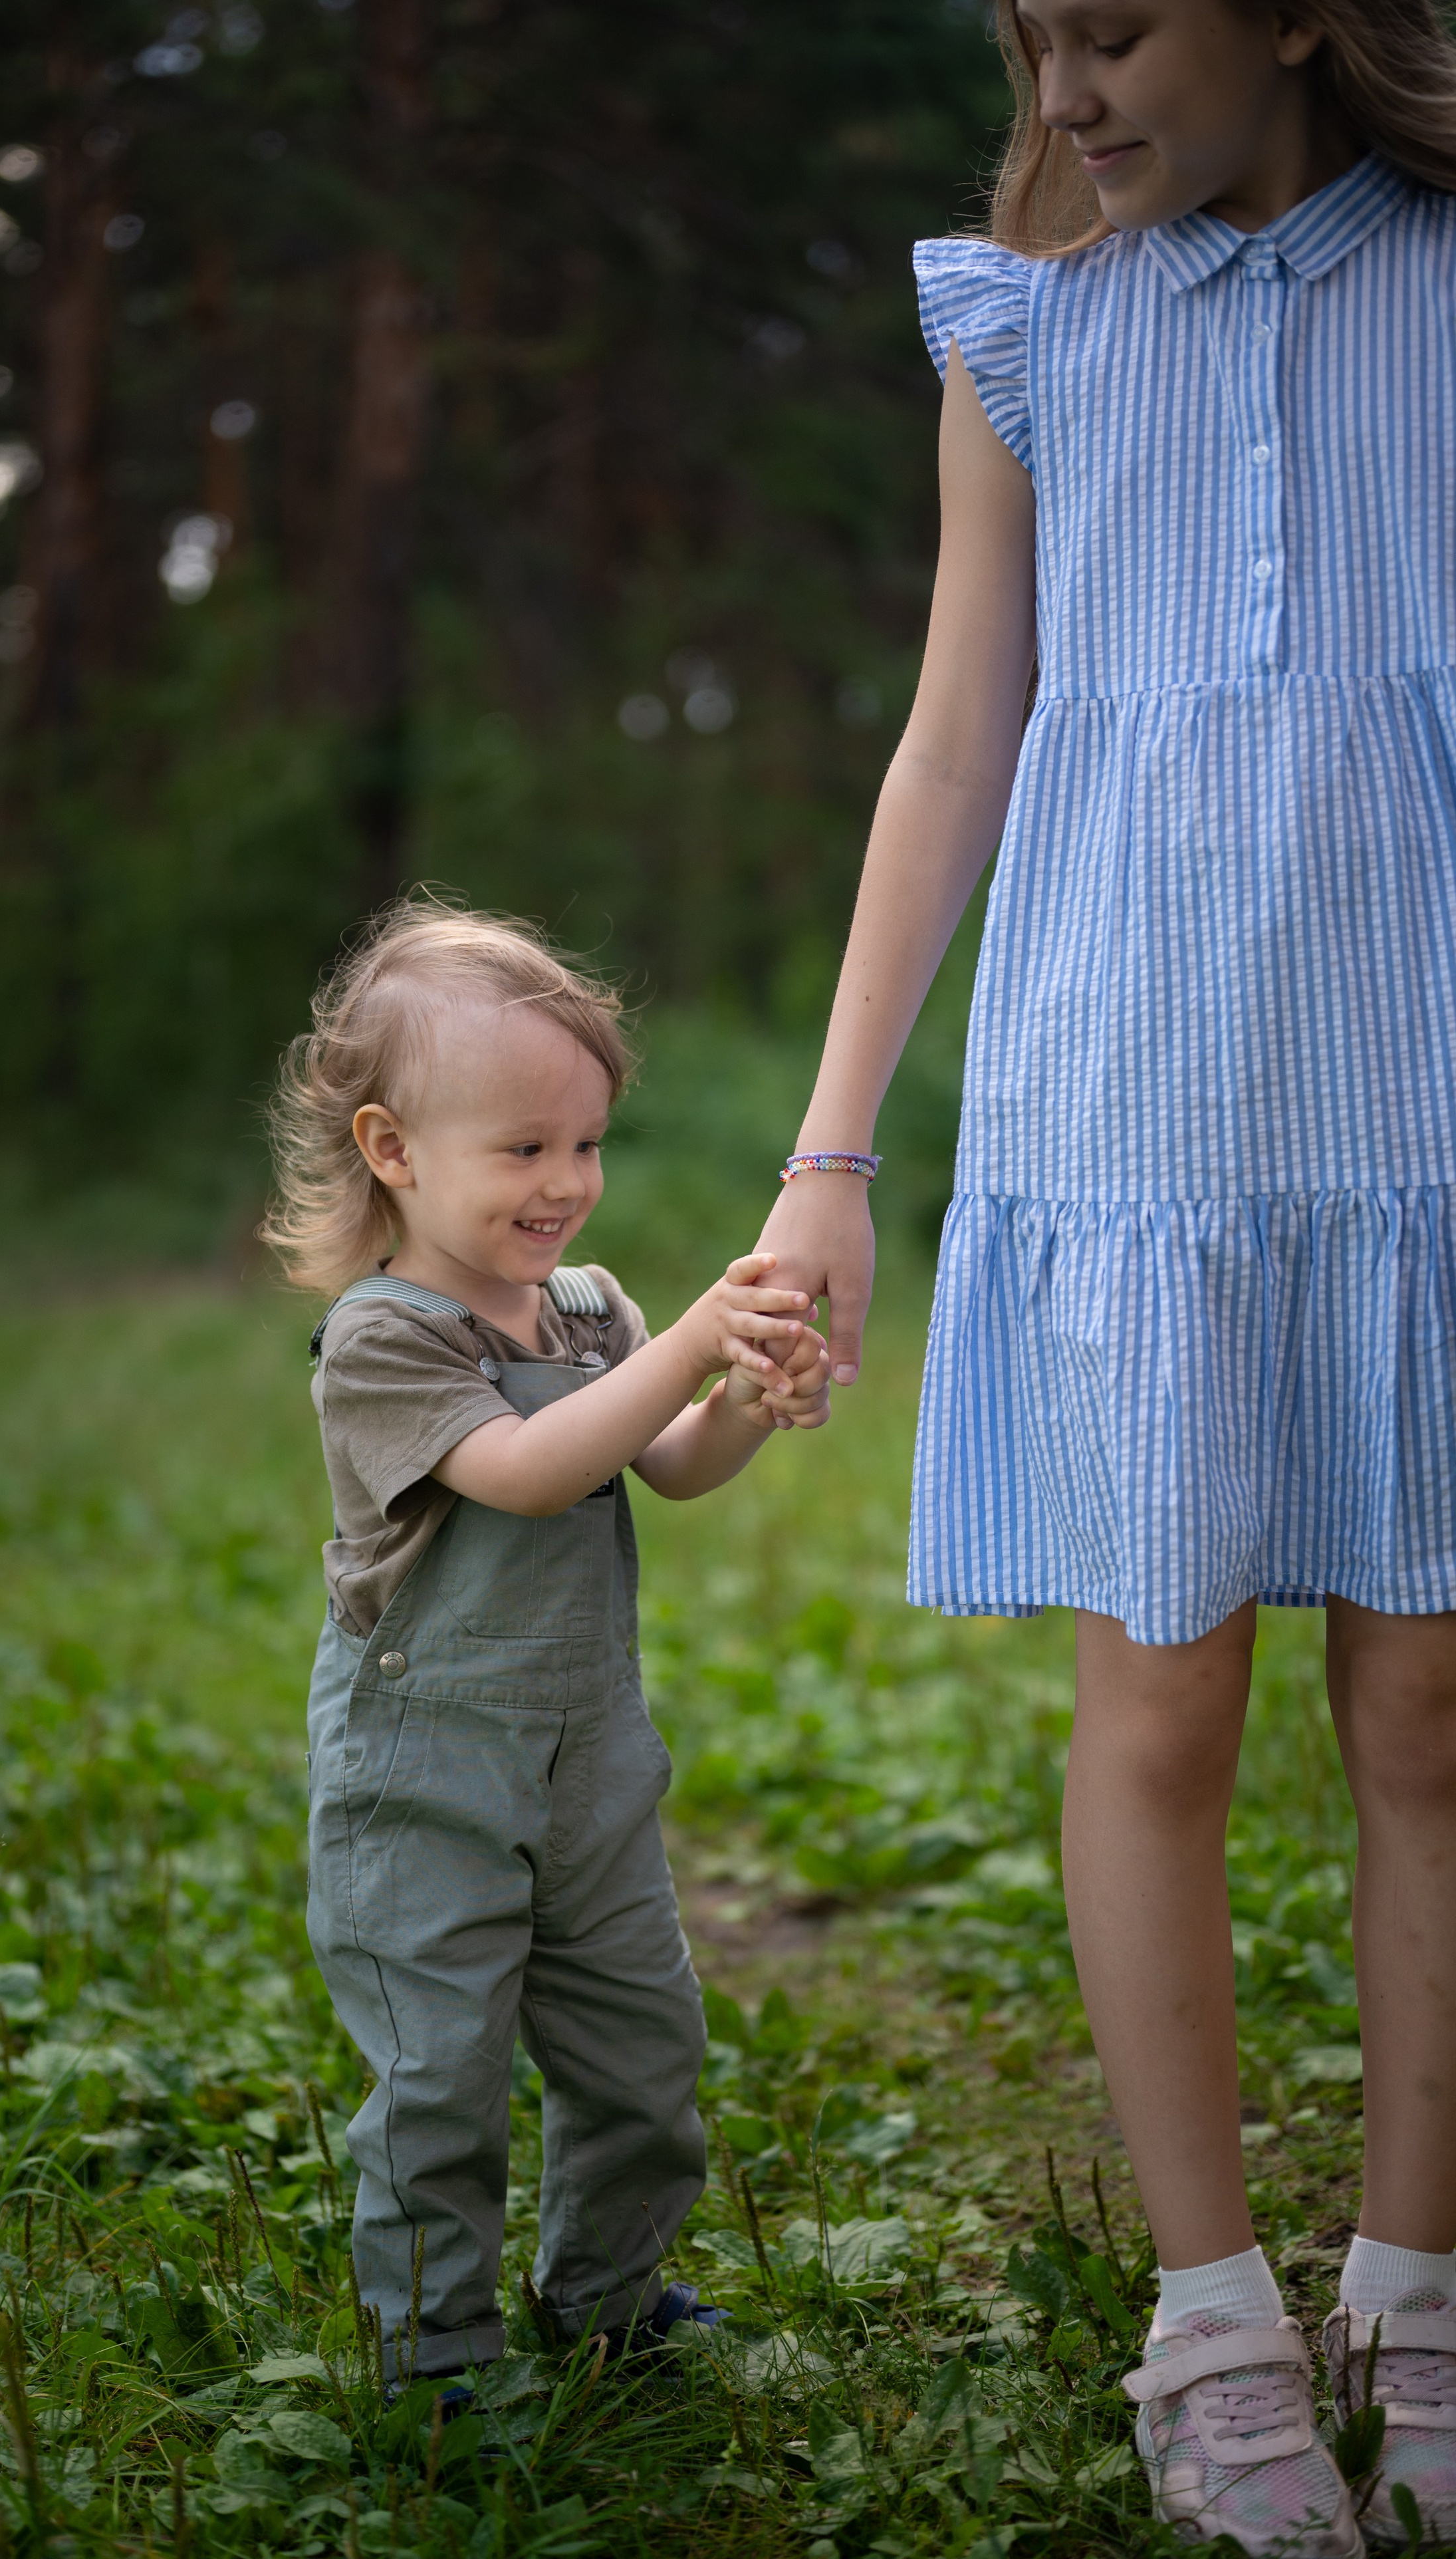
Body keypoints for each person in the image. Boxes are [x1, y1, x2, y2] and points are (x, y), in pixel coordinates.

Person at [757, 3, 1456, 2548]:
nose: (1066, 92)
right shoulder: (1025, 321)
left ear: (1294, 7)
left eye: (1119, 25)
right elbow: (960, 734)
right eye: (1031, 34)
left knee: (1439, 1705)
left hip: (1432, 1106)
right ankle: (1214, 2319)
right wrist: (831, 1145)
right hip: (1140, 1102)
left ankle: (1421, 2279)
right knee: (1157, 1697)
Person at [261, 898, 830, 2393]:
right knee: (441, 2078)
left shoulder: (589, 1314)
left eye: (584, 1143)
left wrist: (744, 1406)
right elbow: (525, 1469)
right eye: (522, 1148)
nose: (566, 1182)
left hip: (586, 1770)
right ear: (392, 1148)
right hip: (424, 1780)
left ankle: (606, 2295)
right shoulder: (385, 1340)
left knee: (644, 2052)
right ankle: (436, 2359)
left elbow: (667, 1464)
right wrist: (692, 1341)